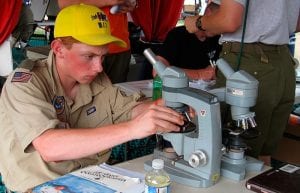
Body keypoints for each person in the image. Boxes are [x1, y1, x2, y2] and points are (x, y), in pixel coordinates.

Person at [0, 4, 184, 192]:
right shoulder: (25, 83)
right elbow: (50, 147)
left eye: (102, 57)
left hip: (88, 179)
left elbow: (127, 109)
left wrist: (170, 107)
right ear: (58, 48)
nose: (99, 67)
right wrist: (133, 129)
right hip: (38, 186)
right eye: (89, 56)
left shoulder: (95, 79)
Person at [185, 0, 300, 166]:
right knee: (262, 156)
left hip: (249, 61)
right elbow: (296, 22)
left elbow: (229, 20)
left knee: (233, 154)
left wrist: (197, 23)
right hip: (282, 62)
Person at [58, 0, 137, 84]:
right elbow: (64, 2)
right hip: (84, 44)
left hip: (119, 44)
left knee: (116, 94)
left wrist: (131, 3)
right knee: (81, 94)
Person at [155, 2, 221, 81]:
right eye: (220, 20)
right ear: (208, 13)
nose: (222, 26)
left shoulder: (220, 39)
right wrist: (199, 74)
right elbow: (157, 71)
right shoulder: (178, 35)